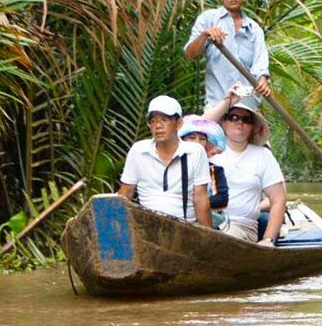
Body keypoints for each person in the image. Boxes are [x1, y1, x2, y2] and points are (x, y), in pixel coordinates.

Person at [204, 87, 286, 245]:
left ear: (253, 127)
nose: (239, 123)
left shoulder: (263, 156)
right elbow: (189, 128)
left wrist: (268, 239)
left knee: (219, 240)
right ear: (223, 121)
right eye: (232, 117)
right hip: (205, 223)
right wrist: (227, 102)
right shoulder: (208, 151)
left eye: (246, 119)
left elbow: (279, 199)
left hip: (241, 227)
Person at [184, 0, 273, 109]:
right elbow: (190, 54)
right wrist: (205, 35)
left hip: (246, 108)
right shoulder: (209, 19)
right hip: (217, 105)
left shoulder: (255, 30)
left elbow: (260, 63)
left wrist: (263, 80)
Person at [118, 95, 211, 224]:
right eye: (153, 121)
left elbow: (201, 198)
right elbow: (126, 193)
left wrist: (208, 238)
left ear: (178, 123)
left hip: (185, 227)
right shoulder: (139, 150)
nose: (158, 126)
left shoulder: (194, 152)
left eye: (164, 119)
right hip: (145, 225)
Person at [180, 117, 231, 225]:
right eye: (192, 137)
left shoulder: (214, 170)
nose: (197, 142)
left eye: (202, 139)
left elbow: (222, 198)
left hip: (204, 221)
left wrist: (195, 202)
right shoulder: (172, 165)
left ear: (207, 143)